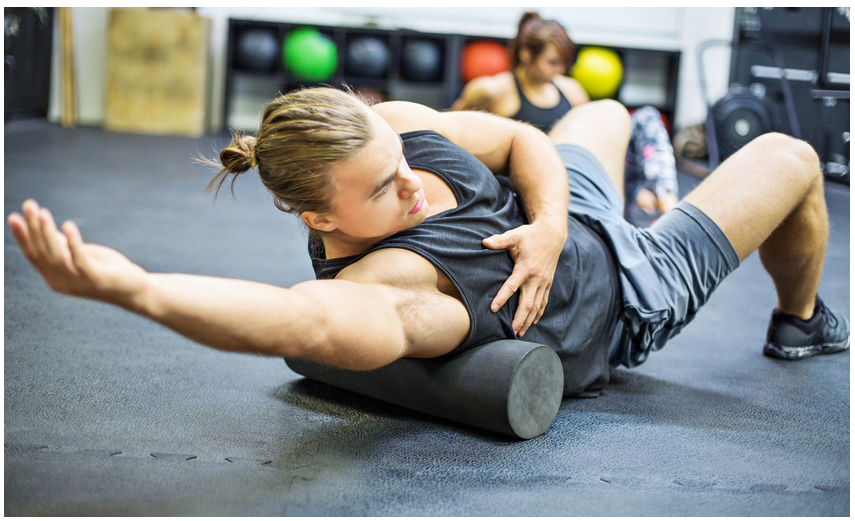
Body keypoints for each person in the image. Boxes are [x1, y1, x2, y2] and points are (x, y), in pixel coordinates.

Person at [7, 87, 848, 399]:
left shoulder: (398, 129)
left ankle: (611, 202)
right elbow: (294, 322)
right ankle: (798, 320)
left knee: (605, 113)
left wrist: (548, 224)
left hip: (566, 216)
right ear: (322, 220)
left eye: (397, 161)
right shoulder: (394, 286)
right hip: (626, 289)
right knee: (791, 157)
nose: (409, 180)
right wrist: (133, 288)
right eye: (382, 189)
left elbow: (522, 141)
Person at [452, 11, 679, 217]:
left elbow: (596, 143)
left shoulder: (570, 90)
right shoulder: (494, 91)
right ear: (525, 53)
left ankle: (666, 206)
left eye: (563, 63)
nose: (559, 70)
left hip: (579, 179)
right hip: (533, 188)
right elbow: (455, 132)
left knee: (647, 117)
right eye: (552, 62)